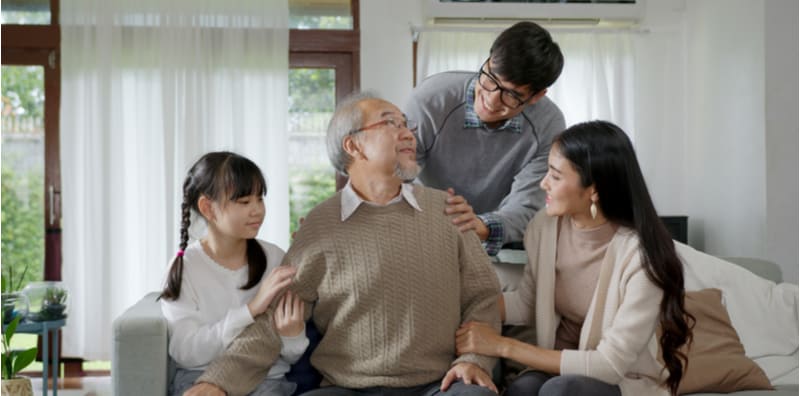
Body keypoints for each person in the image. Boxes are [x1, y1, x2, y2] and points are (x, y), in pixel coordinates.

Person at [184, 93, 502, 396]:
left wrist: (474, 361)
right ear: (353, 145)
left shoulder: (448, 211)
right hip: (348, 388)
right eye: (391, 123)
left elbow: (483, 297)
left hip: (439, 384)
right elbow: (270, 323)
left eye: (407, 124)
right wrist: (217, 383)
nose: (408, 134)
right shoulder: (320, 227)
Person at [454, 121, 693, 396]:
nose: (544, 183)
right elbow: (527, 303)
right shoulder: (544, 227)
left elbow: (610, 365)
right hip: (557, 370)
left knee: (562, 390)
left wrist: (501, 345)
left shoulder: (642, 257)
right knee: (523, 387)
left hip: (623, 382)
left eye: (555, 176)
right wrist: (457, 303)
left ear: (594, 190)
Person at [404, 21, 566, 259]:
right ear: (488, 60)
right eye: (491, 78)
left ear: (537, 96)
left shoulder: (547, 124)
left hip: (500, 240)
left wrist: (480, 225)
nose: (491, 99)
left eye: (511, 95)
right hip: (426, 227)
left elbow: (527, 206)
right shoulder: (432, 100)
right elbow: (398, 176)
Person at [159, 151, 307, 396]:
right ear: (208, 207)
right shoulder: (186, 268)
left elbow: (290, 356)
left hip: (267, 381)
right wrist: (250, 310)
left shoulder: (275, 259)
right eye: (244, 202)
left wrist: (293, 336)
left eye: (260, 199)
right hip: (200, 379)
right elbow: (185, 351)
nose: (257, 210)